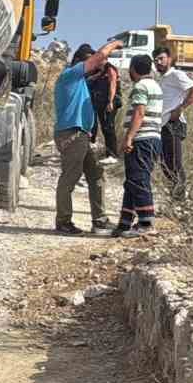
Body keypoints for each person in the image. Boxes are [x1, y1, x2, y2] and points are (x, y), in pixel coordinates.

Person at [52, 37, 122, 235]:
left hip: (80, 134)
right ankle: (63, 221)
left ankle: (99, 221)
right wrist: (114, 44)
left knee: (96, 174)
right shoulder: (71, 74)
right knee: (70, 177)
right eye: (92, 63)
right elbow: (99, 57)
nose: (96, 67)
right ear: (81, 61)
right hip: (72, 134)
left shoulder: (79, 81)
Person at [114, 54, 165, 237]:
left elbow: (139, 113)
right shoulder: (155, 85)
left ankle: (146, 223)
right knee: (132, 181)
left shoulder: (141, 86)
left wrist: (129, 137)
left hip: (142, 139)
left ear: (133, 69)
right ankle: (125, 223)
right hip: (152, 139)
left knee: (139, 179)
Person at [153, 46, 193, 200]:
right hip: (163, 125)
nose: (158, 62)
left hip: (173, 124)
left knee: (175, 163)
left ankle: (179, 199)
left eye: (161, 58)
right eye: (155, 60)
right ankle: (174, 195)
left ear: (169, 59)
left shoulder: (176, 74)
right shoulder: (162, 78)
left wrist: (180, 108)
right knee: (165, 164)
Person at [88, 60, 121, 161]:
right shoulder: (100, 72)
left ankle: (113, 155)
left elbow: (113, 85)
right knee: (105, 128)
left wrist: (110, 101)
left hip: (109, 102)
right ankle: (108, 154)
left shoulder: (110, 69)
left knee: (109, 127)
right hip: (101, 103)